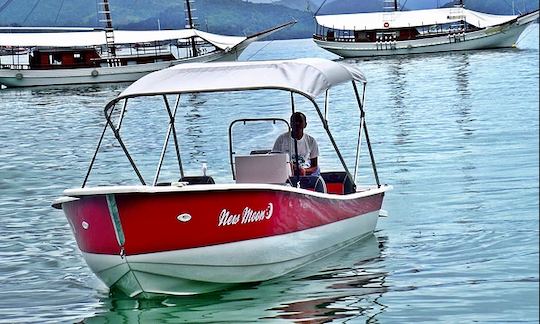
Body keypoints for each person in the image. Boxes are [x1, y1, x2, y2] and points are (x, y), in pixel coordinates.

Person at [273, 112, 319, 176]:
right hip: (286, 173)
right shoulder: (281, 139)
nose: (297, 123)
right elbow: (275, 161)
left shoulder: (311, 141)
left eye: (300, 121)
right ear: (291, 124)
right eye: (294, 121)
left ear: (305, 124)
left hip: (305, 173)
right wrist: (289, 168)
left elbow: (315, 167)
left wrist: (304, 171)